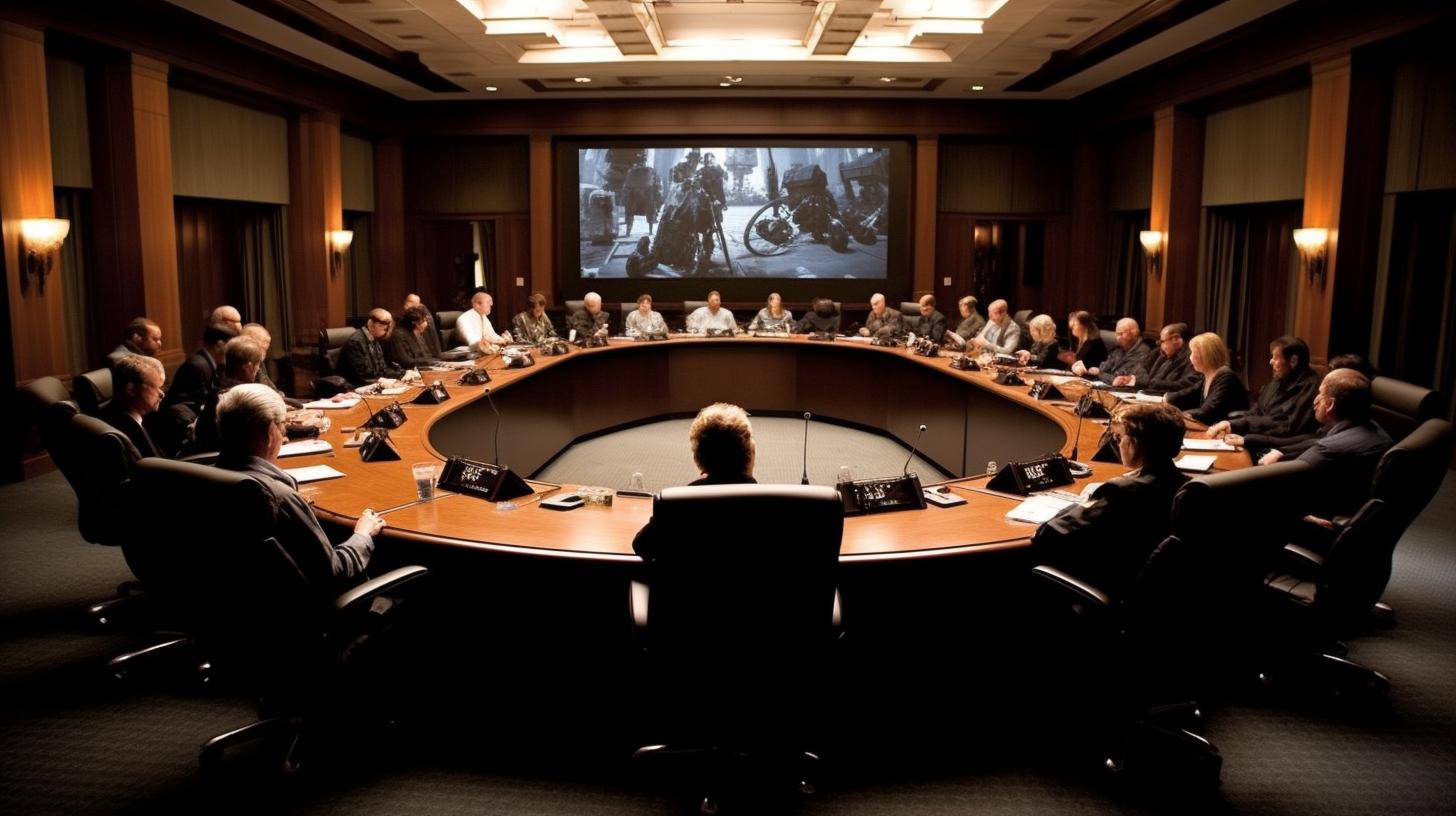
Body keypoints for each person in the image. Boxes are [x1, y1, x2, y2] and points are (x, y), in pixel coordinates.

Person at [215, 384, 384, 596]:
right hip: (315, 617)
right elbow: (334, 572)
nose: (284, 437)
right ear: (269, 432)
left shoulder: (208, 479)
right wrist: (363, 534)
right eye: (282, 426)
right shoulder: (278, 497)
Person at [1031, 401, 1190, 597]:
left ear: (1136, 443)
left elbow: (1048, 533)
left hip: (1108, 586)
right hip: (1158, 593)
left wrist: (1086, 500)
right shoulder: (1188, 487)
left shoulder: (1120, 491)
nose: (1117, 444)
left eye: (1119, 437)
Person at [1261, 368, 1392, 520]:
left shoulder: (1327, 449)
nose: (1315, 400)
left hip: (1315, 525)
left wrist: (1267, 466)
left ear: (1330, 404)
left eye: (1320, 394)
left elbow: (1278, 489)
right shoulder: (1378, 433)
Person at [632, 402, 757, 561]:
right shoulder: (779, 507)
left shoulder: (676, 505)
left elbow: (641, 545)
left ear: (698, 459)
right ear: (751, 453)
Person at [1204, 335, 1320, 457]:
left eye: (1276, 358)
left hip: (1276, 451)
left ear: (1293, 361)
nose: (1271, 362)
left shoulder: (1310, 387)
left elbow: (1281, 425)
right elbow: (1258, 410)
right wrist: (1231, 424)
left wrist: (1242, 429)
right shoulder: (1278, 380)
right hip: (1256, 439)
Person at [1167, 332, 1247, 425]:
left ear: (1206, 355)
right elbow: (1188, 395)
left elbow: (1207, 412)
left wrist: (1175, 416)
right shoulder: (1209, 375)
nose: (1190, 357)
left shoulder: (1226, 377)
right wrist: (1165, 399)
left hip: (1229, 434)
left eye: (1193, 352)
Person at [100, 353, 165, 458]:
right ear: (131, 389)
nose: (162, 394)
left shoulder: (111, 413)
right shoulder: (123, 432)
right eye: (156, 387)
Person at [1122, 322, 1198, 393]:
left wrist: (1148, 382)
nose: (1160, 345)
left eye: (1162, 341)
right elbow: (1140, 366)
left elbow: (1184, 385)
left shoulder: (1191, 358)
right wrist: (1134, 379)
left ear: (1175, 339)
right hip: (1147, 393)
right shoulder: (1159, 352)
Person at [338, 309, 403, 386]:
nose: (385, 332)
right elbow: (363, 375)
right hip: (354, 387)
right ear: (371, 325)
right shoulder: (355, 342)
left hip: (372, 383)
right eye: (384, 328)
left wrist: (401, 374)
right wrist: (384, 381)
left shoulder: (375, 339)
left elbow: (381, 369)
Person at [1076, 317, 1150, 383]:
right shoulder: (1118, 349)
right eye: (1117, 334)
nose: (1118, 338)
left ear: (1134, 333)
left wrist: (1099, 374)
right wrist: (1094, 371)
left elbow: (1120, 378)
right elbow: (1104, 368)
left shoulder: (1143, 352)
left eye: (1121, 334)